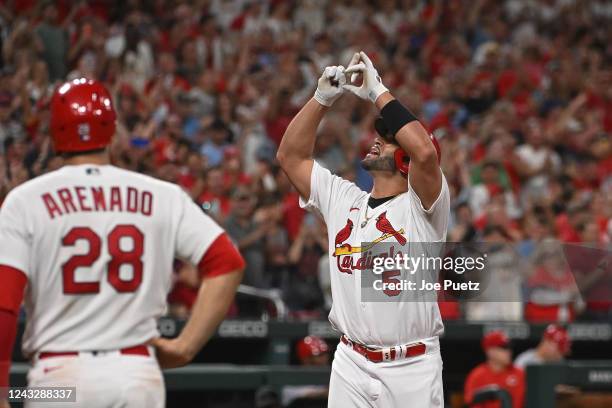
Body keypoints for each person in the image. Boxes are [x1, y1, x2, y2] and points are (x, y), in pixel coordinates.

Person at [0, 78, 245, 408]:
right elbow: (226, 262)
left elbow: (4, 306)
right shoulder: (162, 195)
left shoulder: (25, 200)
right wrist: (185, 345)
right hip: (136, 373)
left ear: (54, 130)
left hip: (59, 378)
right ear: (111, 131)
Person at [277, 52, 449, 407]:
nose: (377, 140)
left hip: (411, 366)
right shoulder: (343, 198)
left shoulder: (425, 208)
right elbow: (290, 157)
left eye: (388, 140)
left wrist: (378, 92)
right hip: (351, 361)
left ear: (405, 160)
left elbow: (427, 155)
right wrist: (321, 99)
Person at [464, 331, 525, 408]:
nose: (509, 351)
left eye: (509, 348)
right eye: (504, 348)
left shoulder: (520, 374)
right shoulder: (477, 376)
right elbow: (471, 402)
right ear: (490, 351)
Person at [281, 335, 330, 406]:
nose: (324, 358)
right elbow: (291, 396)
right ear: (306, 359)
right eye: (319, 355)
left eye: (325, 354)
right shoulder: (293, 377)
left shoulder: (331, 373)